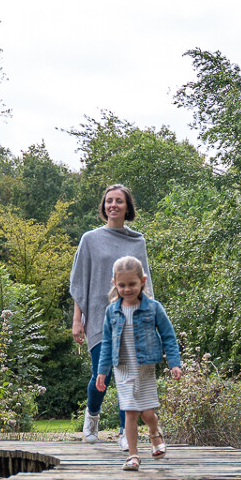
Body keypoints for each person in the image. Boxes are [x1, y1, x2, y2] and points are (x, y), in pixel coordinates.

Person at [69, 183, 153, 450]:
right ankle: (92, 415)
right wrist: (76, 320)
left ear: (127, 207)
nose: (113, 205)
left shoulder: (137, 241)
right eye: (109, 201)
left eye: (119, 201)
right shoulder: (89, 239)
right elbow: (81, 282)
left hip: (130, 317)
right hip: (98, 316)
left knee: (126, 376)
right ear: (104, 207)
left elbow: (145, 282)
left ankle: (123, 431)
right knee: (100, 375)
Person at [94, 255, 182, 471]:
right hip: (122, 367)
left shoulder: (153, 308)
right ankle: (133, 455)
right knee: (130, 412)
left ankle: (154, 431)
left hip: (145, 367)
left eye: (132, 284)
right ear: (115, 284)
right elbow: (106, 343)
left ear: (142, 281)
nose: (127, 289)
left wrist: (174, 363)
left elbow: (168, 336)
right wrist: (102, 371)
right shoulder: (112, 311)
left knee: (146, 413)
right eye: (122, 285)